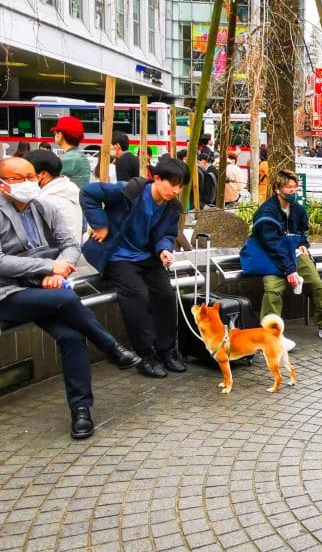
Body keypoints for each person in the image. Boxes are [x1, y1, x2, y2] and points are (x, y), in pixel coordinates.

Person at [0, 157, 139, 439]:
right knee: (65, 300)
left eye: (31, 176)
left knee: (72, 336)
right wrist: (48, 267)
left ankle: (81, 411)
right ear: (3, 184)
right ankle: (110, 346)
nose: (29, 182)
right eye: (19, 178)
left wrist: (58, 271)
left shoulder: (44, 207)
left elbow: (70, 245)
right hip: (9, 294)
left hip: (45, 288)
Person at [80, 156, 189, 379]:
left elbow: (167, 234)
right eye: (173, 184)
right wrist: (99, 224)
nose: (176, 190)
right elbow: (88, 193)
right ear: (156, 179)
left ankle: (166, 350)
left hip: (147, 256)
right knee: (137, 295)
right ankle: (145, 355)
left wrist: (164, 249)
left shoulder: (172, 207)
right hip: (117, 254)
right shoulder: (128, 190)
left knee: (166, 294)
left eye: (181, 186)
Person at [251, 170, 322, 344]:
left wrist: (303, 244)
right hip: (271, 257)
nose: (293, 190)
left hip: (295, 254)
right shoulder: (266, 213)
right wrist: (290, 270)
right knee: (273, 290)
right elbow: (274, 244)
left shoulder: (298, 209)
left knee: (317, 284)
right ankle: (271, 334)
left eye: (295, 187)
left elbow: (300, 232)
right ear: (277, 189)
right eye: (288, 187)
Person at [24, 149, 84, 239]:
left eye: (28, 176)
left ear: (42, 175)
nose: (24, 181)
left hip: (57, 252)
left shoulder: (47, 201)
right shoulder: (68, 189)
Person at [52, 116, 91, 190]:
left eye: (55, 132)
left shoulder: (70, 158)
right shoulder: (76, 155)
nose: (55, 135)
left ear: (60, 135)